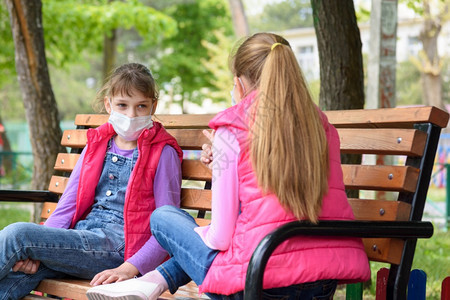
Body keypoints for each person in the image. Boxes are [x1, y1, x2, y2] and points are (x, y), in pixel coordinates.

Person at [87, 33, 371, 300]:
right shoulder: (320, 125)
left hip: (255, 284)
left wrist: (196, 229)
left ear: (239, 83)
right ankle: (153, 282)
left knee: (164, 217)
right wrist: (225, 168)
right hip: (322, 283)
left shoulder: (233, 127)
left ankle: (153, 281)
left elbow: (220, 237)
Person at [0, 63, 183, 299]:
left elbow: (167, 228)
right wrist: (35, 252)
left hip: (119, 248)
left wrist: (129, 268)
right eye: (122, 106)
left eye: (141, 106)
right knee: (16, 275)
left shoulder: (162, 152)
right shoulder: (97, 145)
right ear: (109, 104)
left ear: (153, 106)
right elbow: (68, 205)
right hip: (83, 239)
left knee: (18, 235)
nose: (131, 115)